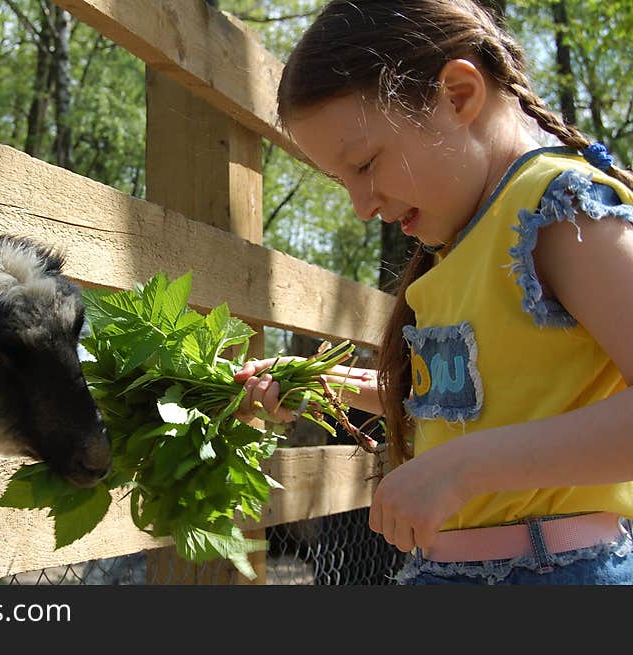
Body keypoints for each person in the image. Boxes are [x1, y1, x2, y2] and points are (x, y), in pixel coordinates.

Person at [234, 0, 633, 585]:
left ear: (458, 96)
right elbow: (466, 400)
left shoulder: (557, 211)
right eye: (344, 182)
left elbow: (471, 447)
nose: (362, 206)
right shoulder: (464, 244)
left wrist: (463, 470)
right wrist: (324, 383)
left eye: (366, 164)